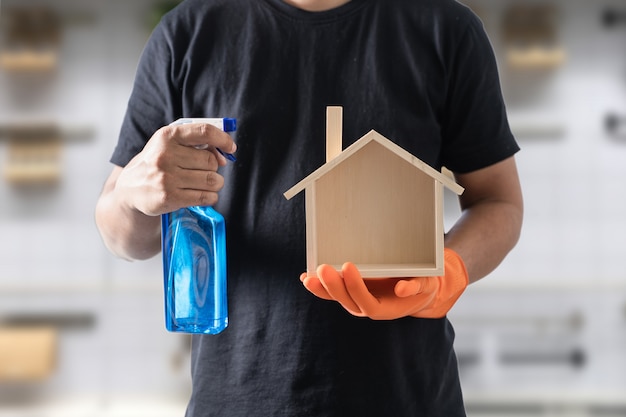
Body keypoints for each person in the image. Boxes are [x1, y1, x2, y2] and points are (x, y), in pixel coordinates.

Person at [95, 0, 523, 415]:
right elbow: (120, 233)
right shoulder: (186, 32)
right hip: (236, 400)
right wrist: (135, 194)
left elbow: (498, 202)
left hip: (409, 398)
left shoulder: (446, 27)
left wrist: (448, 273)